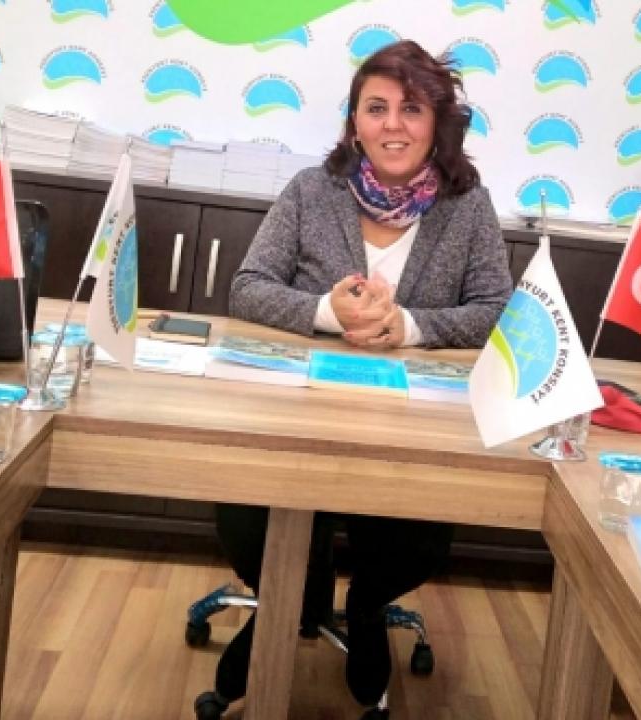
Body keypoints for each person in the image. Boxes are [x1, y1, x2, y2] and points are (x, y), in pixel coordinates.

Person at [195, 40, 513, 717]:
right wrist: (325, 312)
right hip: (298, 414)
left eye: (411, 109)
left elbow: (495, 311)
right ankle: (287, 600)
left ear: (436, 123)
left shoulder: (468, 206)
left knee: (417, 537)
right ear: (354, 122)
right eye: (376, 108)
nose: (393, 124)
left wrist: (411, 326)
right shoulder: (312, 190)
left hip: (409, 429)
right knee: (247, 508)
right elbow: (247, 287)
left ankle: (367, 605)